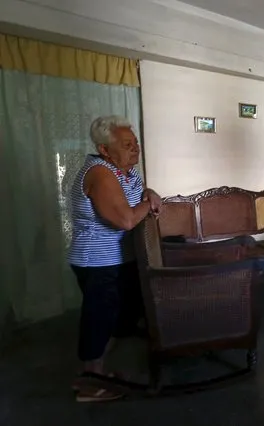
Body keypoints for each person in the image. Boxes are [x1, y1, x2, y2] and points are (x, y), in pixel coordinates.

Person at [67, 115, 162, 402]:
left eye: (135, 143)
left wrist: (148, 191)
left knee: (120, 316)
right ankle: (89, 383)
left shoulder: (126, 171)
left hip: (120, 258)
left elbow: (136, 198)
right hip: (97, 260)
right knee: (100, 318)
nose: (136, 149)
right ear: (105, 150)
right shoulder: (100, 172)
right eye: (127, 145)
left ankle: (99, 371)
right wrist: (149, 203)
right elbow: (125, 219)